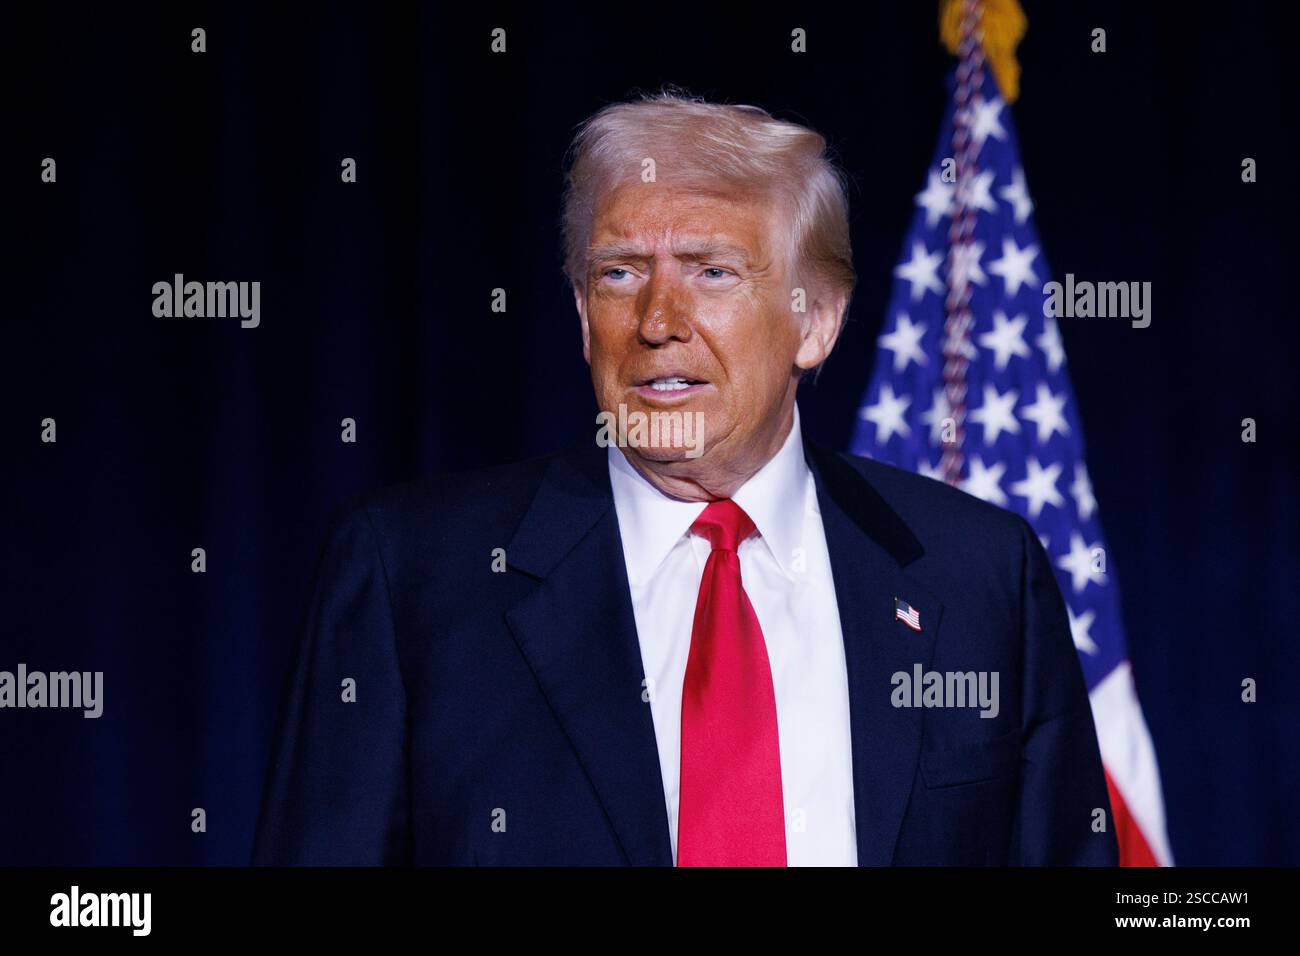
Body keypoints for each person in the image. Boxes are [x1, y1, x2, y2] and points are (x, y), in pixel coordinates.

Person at [251, 92, 1117, 866]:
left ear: (812, 323)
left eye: (712, 272)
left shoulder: (979, 577)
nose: (659, 321)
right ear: (586, 319)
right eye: (620, 273)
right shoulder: (412, 578)